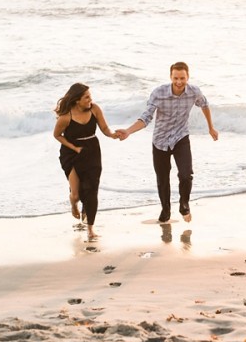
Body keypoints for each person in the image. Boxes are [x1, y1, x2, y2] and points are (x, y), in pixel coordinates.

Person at [117, 62, 218, 223]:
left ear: (188, 77)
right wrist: (128, 131)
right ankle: (165, 208)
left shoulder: (194, 92)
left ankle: (184, 204)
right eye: (176, 78)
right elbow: (146, 117)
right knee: (162, 178)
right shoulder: (158, 93)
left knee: (186, 174)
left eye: (182, 78)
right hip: (160, 140)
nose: (179, 82)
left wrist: (211, 127)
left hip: (181, 137)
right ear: (170, 77)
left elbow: (204, 104)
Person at [53, 83, 118, 240]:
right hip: (71, 154)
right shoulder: (65, 117)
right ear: (77, 100)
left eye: (90, 96)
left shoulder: (95, 109)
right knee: (76, 194)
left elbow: (104, 128)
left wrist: (113, 135)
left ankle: (90, 229)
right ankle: (74, 204)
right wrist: (74, 148)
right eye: (86, 97)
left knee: (92, 189)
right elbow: (57, 135)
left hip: (92, 151)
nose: (90, 99)